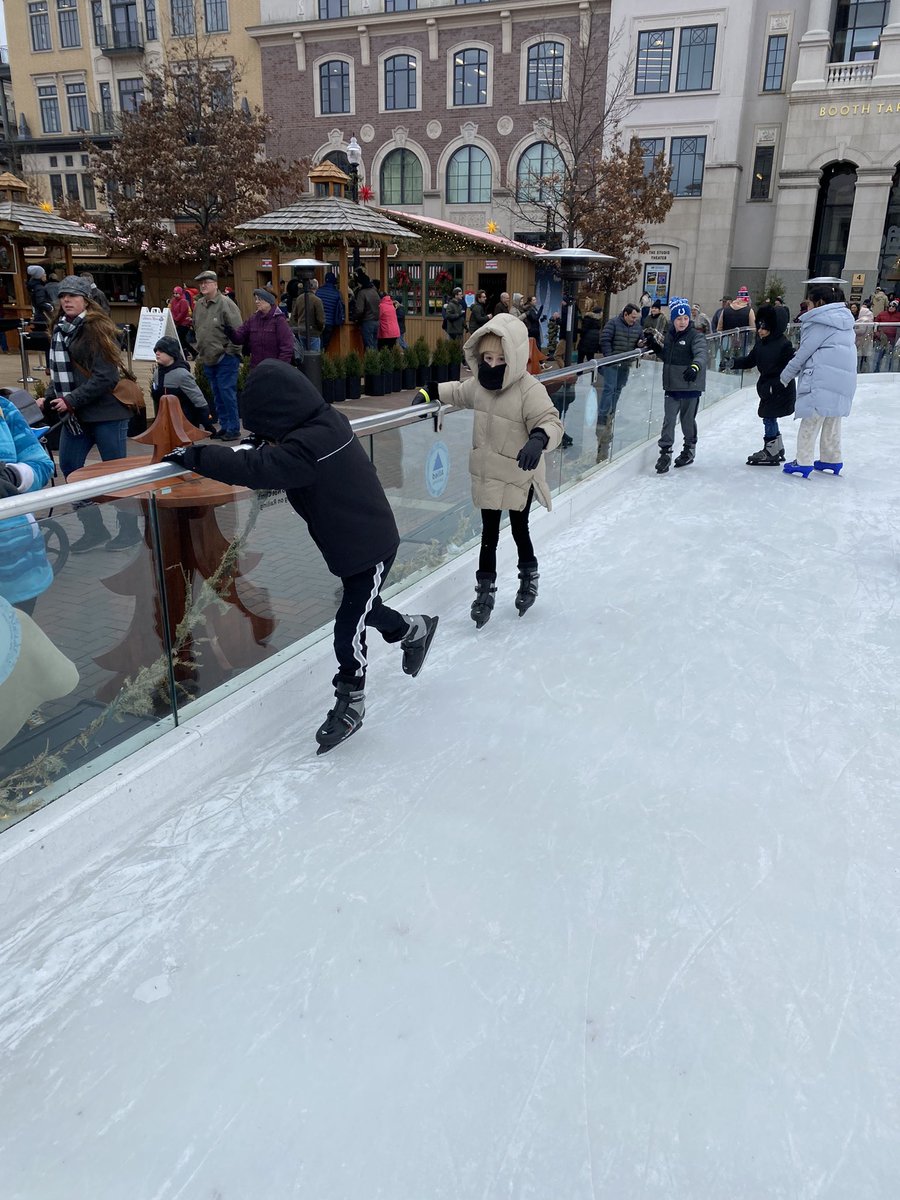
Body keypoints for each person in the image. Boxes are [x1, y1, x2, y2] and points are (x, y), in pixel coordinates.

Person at [162, 361, 439, 754]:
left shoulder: (307, 449)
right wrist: (264, 439)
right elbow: (278, 452)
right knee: (364, 609)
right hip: (354, 546)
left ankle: (351, 700)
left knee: (348, 627)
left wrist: (196, 456)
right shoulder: (327, 421)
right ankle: (414, 630)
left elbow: (255, 469)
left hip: (370, 548)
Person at [416, 314, 563, 626]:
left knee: (520, 530)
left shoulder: (528, 389)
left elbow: (551, 421)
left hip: (519, 474)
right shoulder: (481, 385)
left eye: (501, 358)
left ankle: (528, 575)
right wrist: (430, 391)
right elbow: (456, 391)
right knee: (489, 536)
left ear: (515, 356)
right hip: (488, 476)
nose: (493, 364)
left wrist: (538, 439)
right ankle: (485, 590)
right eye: (487, 358)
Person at [39, 275, 142, 552]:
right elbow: (63, 374)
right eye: (63, 296)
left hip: (107, 414)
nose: (67, 300)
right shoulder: (61, 330)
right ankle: (95, 529)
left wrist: (72, 399)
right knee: (71, 468)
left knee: (117, 475)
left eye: (73, 295)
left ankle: (130, 529)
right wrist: (48, 397)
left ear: (86, 299)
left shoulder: (96, 328)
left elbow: (106, 377)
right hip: (77, 417)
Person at [781, 282, 856, 478]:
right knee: (832, 420)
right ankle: (832, 459)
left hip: (821, 379)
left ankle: (803, 461)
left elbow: (803, 353)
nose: (808, 308)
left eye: (810, 304)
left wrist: (785, 375)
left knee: (811, 421)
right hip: (843, 380)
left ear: (820, 302)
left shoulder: (819, 321)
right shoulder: (845, 320)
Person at [0, 391, 55, 612]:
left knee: (18, 642)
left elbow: (41, 464)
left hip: (20, 567)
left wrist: (13, 475)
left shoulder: (4, 409)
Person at [644, 297, 708, 473]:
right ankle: (665, 453)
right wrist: (657, 348)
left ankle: (689, 448)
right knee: (669, 421)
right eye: (679, 319)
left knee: (687, 420)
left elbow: (701, 354)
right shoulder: (670, 335)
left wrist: (695, 367)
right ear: (673, 319)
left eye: (685, 318)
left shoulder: (695, 336)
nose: (682, 322)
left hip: (690, 386)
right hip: (672, 386)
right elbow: (669, 358)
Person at [730, 304, 795, 465]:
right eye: (759, 326)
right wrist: (733, 363)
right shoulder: (762, 343)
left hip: (780, 389)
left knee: (769, 417)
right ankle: (777, 447)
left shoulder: (784, 345)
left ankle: (771, 450)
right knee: (769, 417)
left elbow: (792, 368)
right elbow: (750, 361)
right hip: (768, 388)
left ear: (774, 327)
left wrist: (776, 386)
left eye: (764, 328)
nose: (760, 330)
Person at [192, 270, 243, 441]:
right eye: (201, 283)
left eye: (207, 282)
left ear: (215, 284)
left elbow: (238, 331)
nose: (203, 285)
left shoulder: (226, 303)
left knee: (226, 392)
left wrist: (231, 352)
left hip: (225, 357)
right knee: (217, 393)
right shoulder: (199, 304)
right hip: (208, 357)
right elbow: (196, 327)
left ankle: (234, 428)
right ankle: (224, 425)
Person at [596, 303, 644, 459]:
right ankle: (603, 415)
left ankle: (611, 413)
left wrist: (641, 344)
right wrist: (610, 358)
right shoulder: (613, 323)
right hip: (612, 363)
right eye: (632, 317)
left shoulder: (637, 327)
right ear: (625, 314)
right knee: (609, 388)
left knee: (618, 388)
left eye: (636, 318)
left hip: (625, 363)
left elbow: (641, 339)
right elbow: (605, 339)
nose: (634, 320)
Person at [149, 336, 216, 433]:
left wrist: (208, 424)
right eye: (156, 350)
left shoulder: (182, 374)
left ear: (172, 354)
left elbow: (198, 399)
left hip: (185, 421)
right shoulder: (157, 372)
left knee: (185, 446)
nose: (157, 353)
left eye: (161, 351)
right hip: (166, 419)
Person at [229, 288, 294, 368]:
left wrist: (279, 368)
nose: (256, 302)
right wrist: (230, 332)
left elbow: (287, 348)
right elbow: (239, 338)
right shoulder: (252, 319)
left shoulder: (279, 320)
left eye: (259, 299)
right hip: (256, 369)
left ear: (269, 301)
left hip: (274, 370)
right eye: (255, 299)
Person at [291, 283, 326, 353]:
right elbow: (320, 320)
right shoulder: (317, 300)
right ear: (315, 288)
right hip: (313, 332)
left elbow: (294, 316)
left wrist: (299, 326)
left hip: (301, 331)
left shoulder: (299, 299)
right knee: (314, 358)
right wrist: (320, 329)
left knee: (303, 356)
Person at [317, 271, 345, 350]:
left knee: (318, 343)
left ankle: (318, 359)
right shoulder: (337, 293)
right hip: (330, 322)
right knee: (325, 344)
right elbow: (341, 307)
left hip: (319, 321)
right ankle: (323, 357)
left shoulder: (319, 292)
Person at [354, 271, 381, 349]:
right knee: (375, 345)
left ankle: (370, 361)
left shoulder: (362, 293)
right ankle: (376, 361)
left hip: (367, 322)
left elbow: (359, 310)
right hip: (377, 322)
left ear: (361, 283)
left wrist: (355, 318)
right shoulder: (375, 292)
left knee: (368, 346)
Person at [872, 298, 900, 372]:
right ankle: (876, 370)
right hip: (882, 339)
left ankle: (889, 371)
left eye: (893, 306)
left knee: (891, 357)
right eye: (890, 306)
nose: (891, 308)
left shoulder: (898, 315)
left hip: (893, 339)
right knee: (878, 356)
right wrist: (877, 334)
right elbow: (875, 324)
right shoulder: (882, 314)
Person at [169, 286, 195, 360]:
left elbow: (183, 312)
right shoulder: (173, 301)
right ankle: (189, 353)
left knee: (180, 339)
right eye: (174, 293)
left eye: (177, 293)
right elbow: (172, 310)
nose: (175, 295)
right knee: (181, 339)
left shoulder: (184, 301)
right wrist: (173, 319)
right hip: (177, 323)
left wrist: (176, 319)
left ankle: (189, 353)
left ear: (180, 293)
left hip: (184, 323)